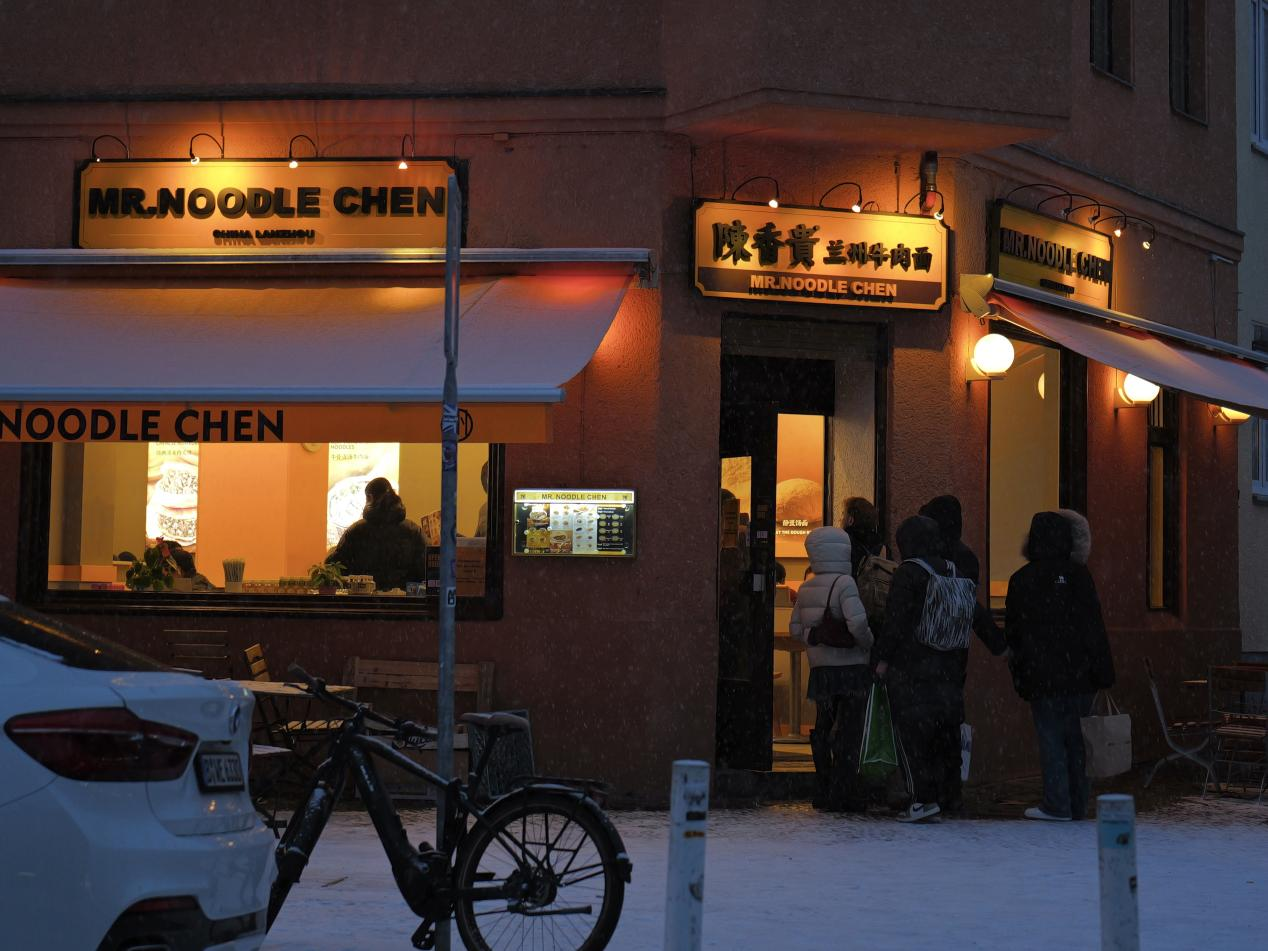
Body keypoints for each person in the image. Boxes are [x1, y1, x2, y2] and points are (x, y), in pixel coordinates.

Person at [874, 515, 1004, 822]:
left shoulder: (909, 573)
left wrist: (881, 659)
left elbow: (896, 620)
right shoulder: (954, 570)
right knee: (946, 736)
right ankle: (950, 797)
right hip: (950, 669)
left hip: (913, 668)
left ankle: (922, 799)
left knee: (913, 737)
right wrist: (1001, 646)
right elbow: (976, 614)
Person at [1005, 511, 1115, 822]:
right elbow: (1094, 626)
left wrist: (1020, 673)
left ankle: (1056, 803)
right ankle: (1078, 802)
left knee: (1051, 738)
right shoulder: (1080, 576)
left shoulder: (1022, 579)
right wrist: (1103, 671)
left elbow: (1015, 633)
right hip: (1080, 674)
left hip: (1042, 675)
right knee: (1079, 741)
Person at [789, 526, 874, 812]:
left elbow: (795, 629)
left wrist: (815, 638)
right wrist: (868, 643)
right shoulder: (845, 583)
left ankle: (823, 788)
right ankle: (844, 790)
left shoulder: (805, 588)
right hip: (851, 668)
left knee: (823, 727)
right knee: (849, 731)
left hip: (821, 670)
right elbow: (858, 624)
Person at [327, 477, 426, 592]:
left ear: (370, 498)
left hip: (364, 599)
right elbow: (425, 569)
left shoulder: (356, 531)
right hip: (404, 600)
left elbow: (334, 567)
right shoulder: (413, 531)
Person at [843, 496, 886, 577]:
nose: (841, 519)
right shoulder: (882, 547)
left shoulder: (843, 543)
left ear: (850, 520)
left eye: (843, 514)